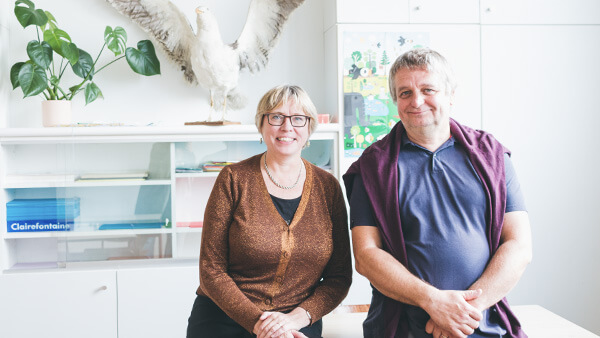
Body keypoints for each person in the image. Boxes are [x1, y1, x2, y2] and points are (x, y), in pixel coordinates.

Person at [343, 48, 532, 338]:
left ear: (450, 94)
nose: (416, 101)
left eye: (428, 89)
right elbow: (366, 254)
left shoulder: (491, 156)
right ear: (396, 101)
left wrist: (463, 311)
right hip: (402, 329)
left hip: (481, 325)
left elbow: (519, 245)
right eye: (405, 93)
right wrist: (433, 302)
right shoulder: (373, 166)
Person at [187, 85, 352, 338]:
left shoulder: (328, 187)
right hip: (224, 320)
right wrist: (261, 324)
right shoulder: (233, 179)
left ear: (309, 128)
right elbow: (211, 270)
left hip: (297, 324)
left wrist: (294, 320)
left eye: (298, 119)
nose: (287, 127)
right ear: (261, 125)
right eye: (276, 117)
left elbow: (339, 276)